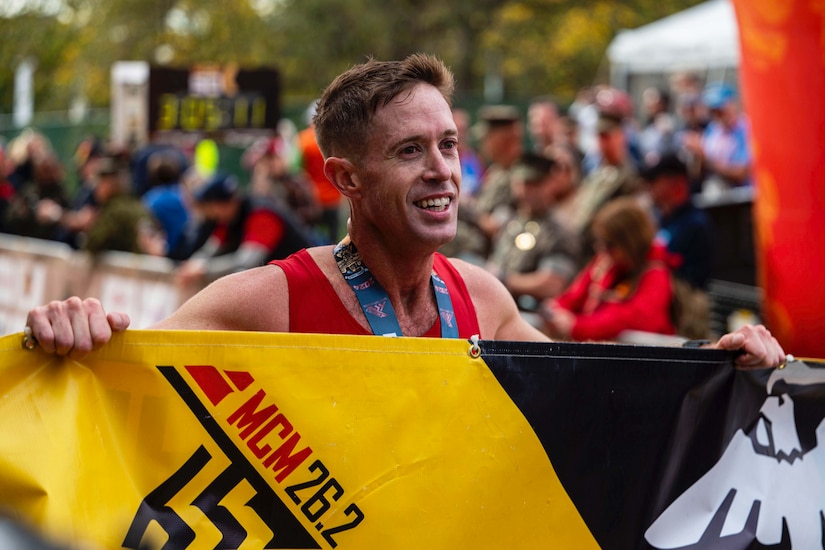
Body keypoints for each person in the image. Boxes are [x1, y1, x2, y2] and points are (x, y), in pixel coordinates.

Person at [24, 54, 785, 371]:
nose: (443, 172)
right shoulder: (270, 298)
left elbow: (589, 381)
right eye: (411, 151)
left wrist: (710, 363)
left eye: (449, 145)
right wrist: (73, 334)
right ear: (346, 180)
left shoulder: (480, 296)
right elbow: (126, 369)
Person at [542, 197, 675, 342]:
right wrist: (556, 309)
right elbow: (574, 296)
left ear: (631, 243)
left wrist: (576, 326)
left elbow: (634, 319)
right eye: (599, 242)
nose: (602, 249)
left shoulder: (656, 273)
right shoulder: (605, 260)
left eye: (609, 244)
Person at [174, 171, 315, 289]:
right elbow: (212, 248)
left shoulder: (262, 215)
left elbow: (246, 262)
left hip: (305, 280)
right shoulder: (229, 219)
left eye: (208, 208)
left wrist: (203, 268)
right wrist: (194, 263)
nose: (208, 214)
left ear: (220, 205)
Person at [485, 152, 580, 311]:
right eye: (521, 183)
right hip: (496, 304)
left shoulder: (559, 232)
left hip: (530, 312)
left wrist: (504, 280)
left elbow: (552, 284)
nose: (525, 190)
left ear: (550, 184)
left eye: (533, 184)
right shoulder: (512, 221)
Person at [682, 82, 752, 191]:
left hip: (744, 196)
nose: (716, 114)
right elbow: (698, 174)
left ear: (732, 105)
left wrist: (705, 156)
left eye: (720, 109)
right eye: (712, 110)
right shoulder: (712, 130)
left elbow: (740, 173)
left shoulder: (745, 129)